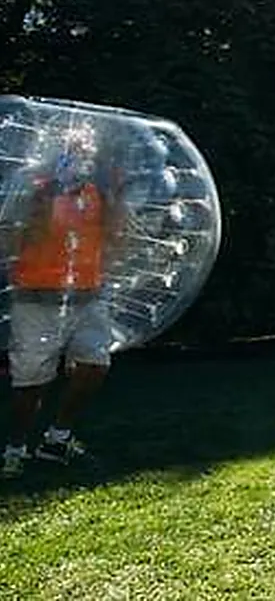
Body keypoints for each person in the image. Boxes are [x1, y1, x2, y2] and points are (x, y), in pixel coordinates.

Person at [3, 132, 124, 477]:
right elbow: (16, 234)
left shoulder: (96, 194)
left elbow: (114, 238)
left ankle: (58, 436)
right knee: (30, 383)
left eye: (85, 154)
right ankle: (16, 447)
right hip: (36, 296)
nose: (79, 161)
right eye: (72, 153)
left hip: (87, 296)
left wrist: (114, 198)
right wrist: (46, 199)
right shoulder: (34, 190)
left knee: (95, 364)